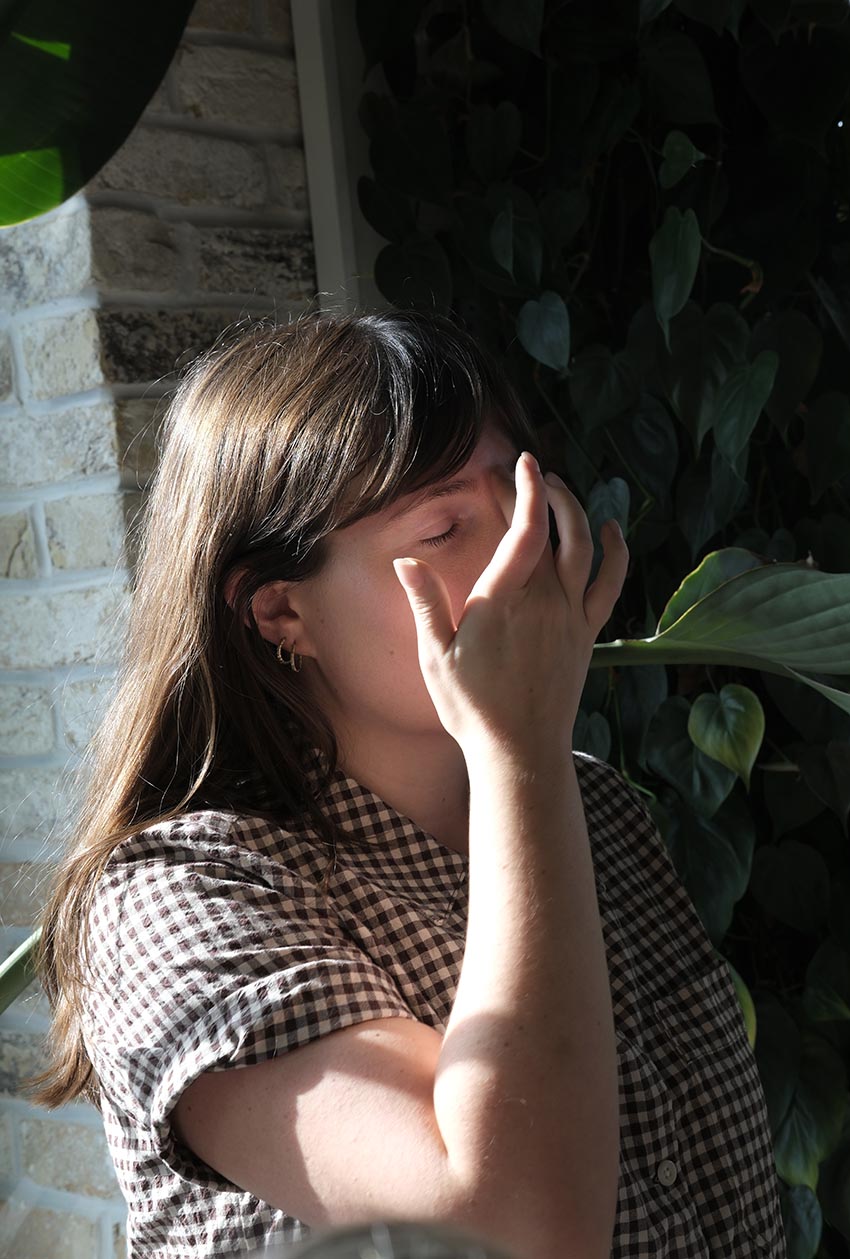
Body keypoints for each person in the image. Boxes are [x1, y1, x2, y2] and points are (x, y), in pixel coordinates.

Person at [27, 310, 787, 1259]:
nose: (529, 548)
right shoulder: (181, 899)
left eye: (521, 491)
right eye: (446, 526)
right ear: (279, 609)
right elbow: (518, 1228)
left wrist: (529, 767)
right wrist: (519, 751)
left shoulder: (594, 811)